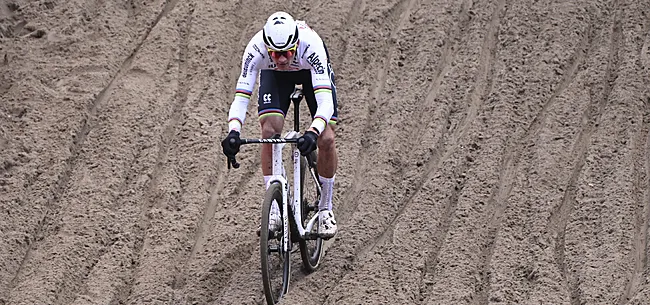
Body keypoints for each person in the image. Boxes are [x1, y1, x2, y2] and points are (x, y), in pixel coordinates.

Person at [220, 11, 338, 239]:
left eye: (287, 53)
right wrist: (233, 131)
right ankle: (274, 208)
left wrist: (313, 132)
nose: (282, 59)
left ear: (296, 44)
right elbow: (241, 97)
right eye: (275, 54)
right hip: (276, 79)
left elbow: (325, 102)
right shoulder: (256, 50)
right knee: (268, 131)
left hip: (309, 72)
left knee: (326, 139)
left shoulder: (310, 45)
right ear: (267, 48)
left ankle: (325, 208)